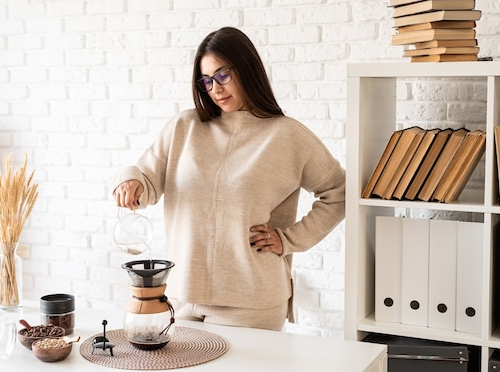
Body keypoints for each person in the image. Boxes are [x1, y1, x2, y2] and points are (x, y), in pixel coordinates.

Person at [112, 26, 345, 331]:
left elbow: (338, 193)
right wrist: (130, 182)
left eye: (223, 75)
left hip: (251, 302)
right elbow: (145, 176)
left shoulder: (287, 135)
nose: (216, 89)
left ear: (247, 69)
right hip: (182, 296)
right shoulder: (185, 127)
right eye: (207, 81)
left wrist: (288, 240)